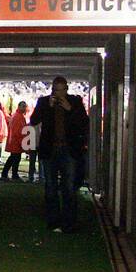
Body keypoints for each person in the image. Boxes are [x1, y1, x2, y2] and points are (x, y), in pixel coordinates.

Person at [29, 77, 89, 232]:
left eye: (62, 90)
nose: (59, 93)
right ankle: (53, 220)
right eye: (56, 90)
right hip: (50, 150)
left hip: (68, 150)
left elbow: (84, 123)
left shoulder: (75, 102)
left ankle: (69, 222)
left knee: (69, 187)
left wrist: (70, 109)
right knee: (50, 187)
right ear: (52, 90)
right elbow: (33, 120)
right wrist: (46, 108)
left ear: (66, 89)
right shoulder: (43, 102)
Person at [1, 100, 36, 181]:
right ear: (19, 106)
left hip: (15, 141)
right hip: (16, 142)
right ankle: (13, 174)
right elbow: (18, 132)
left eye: (25, 106)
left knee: (13, 158)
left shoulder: (18, 116)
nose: (24, 108)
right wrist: (23, 143)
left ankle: (7, 174)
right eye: (23, 106)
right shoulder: (18, 117)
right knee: (15, 159)